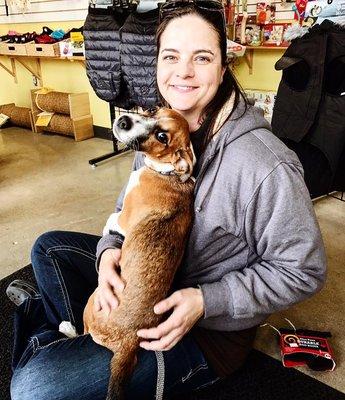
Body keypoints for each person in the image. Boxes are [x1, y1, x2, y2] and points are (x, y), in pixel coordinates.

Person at [8, 1, 327, 399]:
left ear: (223, 67)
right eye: (171, 56)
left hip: (200, 330)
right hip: (148, 276)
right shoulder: (163, 122)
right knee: (47, 247)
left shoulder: (266, 164)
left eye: (202, 57)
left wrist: (205, 300)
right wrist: (108, 253)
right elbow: (126, 209)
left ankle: (46, 325)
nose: (183, 72)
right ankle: (68, 332)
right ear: (157, 62)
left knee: (34, 388)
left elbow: (305, 270)